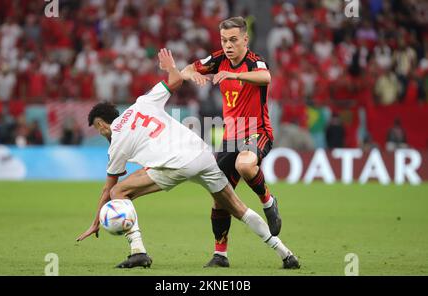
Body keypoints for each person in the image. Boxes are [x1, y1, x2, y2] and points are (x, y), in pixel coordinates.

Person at [76, 49, 300, 270]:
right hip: (201, 154)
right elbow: (176, 80)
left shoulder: (116, 143)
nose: (101, 133)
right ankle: (285, 253)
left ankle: (138, 252)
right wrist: (170, 68)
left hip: (175, 164)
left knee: (119, 193)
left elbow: (108, 189)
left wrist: (96, 222)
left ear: (101, 124)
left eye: (98, 129)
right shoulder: (142, 103)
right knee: (238, 208)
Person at [180, 16, 281, 267]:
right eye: (224, 40)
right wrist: (195, 75)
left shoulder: (254, 61)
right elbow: (186, 69)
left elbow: (266, 78)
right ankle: (220, 255)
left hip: (257, 131)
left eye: (234, 40)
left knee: (245, 165)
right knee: (220, 196)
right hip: (230, 137)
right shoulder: (218, 60)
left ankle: (268, 201)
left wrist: (233, 77)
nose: (228, 45)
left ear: (245, 40)